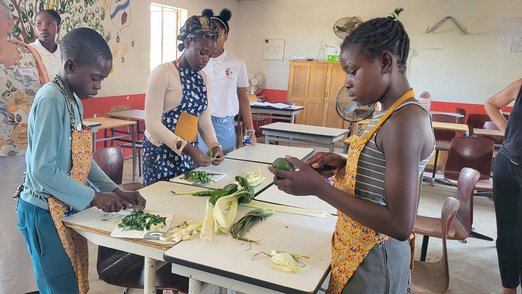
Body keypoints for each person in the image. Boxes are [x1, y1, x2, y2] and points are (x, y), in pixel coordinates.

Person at [269, 9, 434, 293]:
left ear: (385, 62)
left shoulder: (405, 121)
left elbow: (398, 223)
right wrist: (345, 163)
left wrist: (319, 188)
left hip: (374, 256)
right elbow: (383, 169)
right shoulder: (387, 114)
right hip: (358, 247)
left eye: (353, 71)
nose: (347, 82)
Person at [17, 27, 146, 294]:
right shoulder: (51, 98)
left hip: (62, 207)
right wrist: (92, 197)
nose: (99, 86)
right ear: (70, 65)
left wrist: (113, 189)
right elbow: (42, 170)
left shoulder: (73, 100)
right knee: (58, 287)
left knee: (72, 282)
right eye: (95, 78)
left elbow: (83, 158)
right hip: (42, 212)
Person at [0, 0, 49, 292]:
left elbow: (45, 93)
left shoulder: (28, 54)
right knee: (4, 230)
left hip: (30, 154)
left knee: (23, 225)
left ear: (8, 23)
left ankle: (26, 284)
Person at [143, 14, 224, 186]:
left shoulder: (204, 79)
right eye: (202, 52)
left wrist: (214, 146)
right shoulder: (163, 73)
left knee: (182, 196)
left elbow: (204, 120)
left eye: (210, 55)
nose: (205, 59)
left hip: (187, 153)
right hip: (160, 153)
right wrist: (186, 148)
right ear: (187, 42)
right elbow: (152, 124)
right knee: (160, 201)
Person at [198, 8, 256, 154]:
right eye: (209, 33)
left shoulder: (237, 63)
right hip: (198, 124)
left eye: (217, 34)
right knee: (199, 168)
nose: (213, 37)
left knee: (225, 167)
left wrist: (250, 130)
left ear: (226, 36)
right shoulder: (197, 61)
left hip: (225, 125)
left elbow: (243, 97)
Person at [485, 79, 522, 294]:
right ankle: (509, 286)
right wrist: (505, 129)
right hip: (506, 167)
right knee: (506, 232)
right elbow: (491, 103)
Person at [30, 9, 62, 79]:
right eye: (39, 23)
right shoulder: (28, 51)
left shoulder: (64, 53)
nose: (43, 28)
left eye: (49, 24)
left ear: (58, 28)